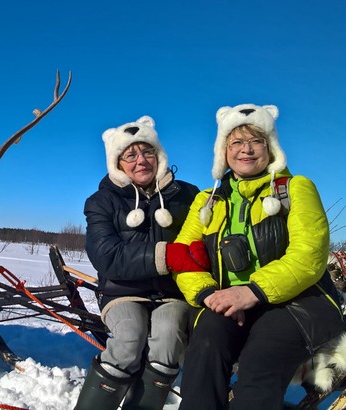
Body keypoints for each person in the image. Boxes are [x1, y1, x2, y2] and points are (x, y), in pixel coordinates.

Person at [165, 103, 346, 409]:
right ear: (223, 150)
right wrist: (209, 294)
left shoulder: (295, 189)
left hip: (296, 304)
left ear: (270, 147)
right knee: (206, 343)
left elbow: (308, 257)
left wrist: (251, 291)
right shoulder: (207, 200)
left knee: (260, 359)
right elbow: (182, 255)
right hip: (228, 302)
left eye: (256, 141)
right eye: (236, 142)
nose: (246, 150)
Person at [75, 116, 200, 410]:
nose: (140, 160)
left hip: (173, 292)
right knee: (129, 339)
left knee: (169, 338)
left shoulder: (187, 196)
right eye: (130, 155)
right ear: (117, 163)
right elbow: (106, 255)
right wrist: (167, 256)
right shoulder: (102, 201)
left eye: (147, 152)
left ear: (159, 156)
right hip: (122, 291)